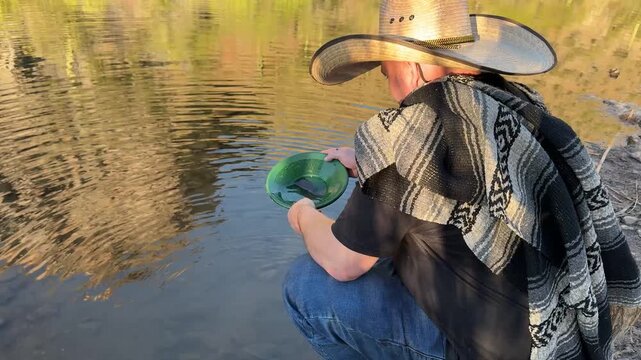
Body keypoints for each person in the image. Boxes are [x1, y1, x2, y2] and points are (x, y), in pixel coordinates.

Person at [281, 1, 641, 359]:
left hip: (493, 350)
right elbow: (462, 174)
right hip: (558, 332)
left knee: (308, 286)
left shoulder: (412, 134)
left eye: (385, 69)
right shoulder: (514, 106)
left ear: (411, 65)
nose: (387, 82)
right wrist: (366, 163)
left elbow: (343, 263)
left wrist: (302, 214)